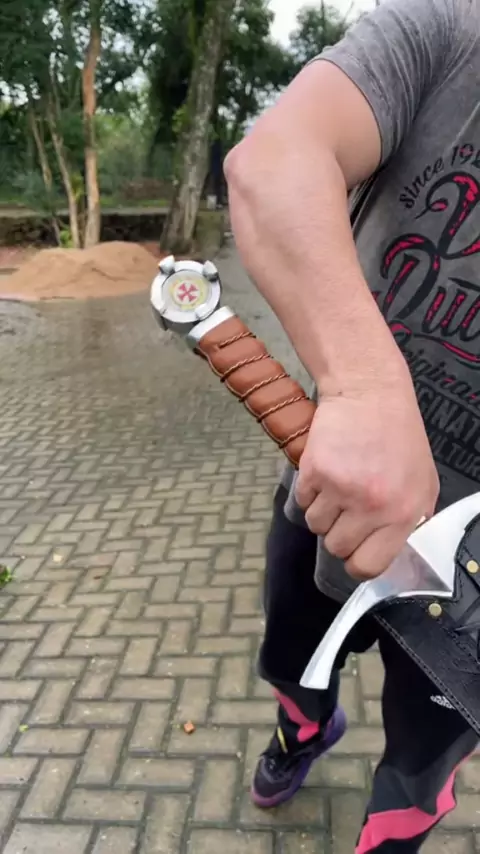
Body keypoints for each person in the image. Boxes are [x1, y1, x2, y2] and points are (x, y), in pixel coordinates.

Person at [224, 0, 480, 850]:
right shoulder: (450, 29)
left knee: (418, 775)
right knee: (293, 665)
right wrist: (365, 386)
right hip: (327, 483)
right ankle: (304, 733)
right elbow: (274, 162)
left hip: (473, 593)